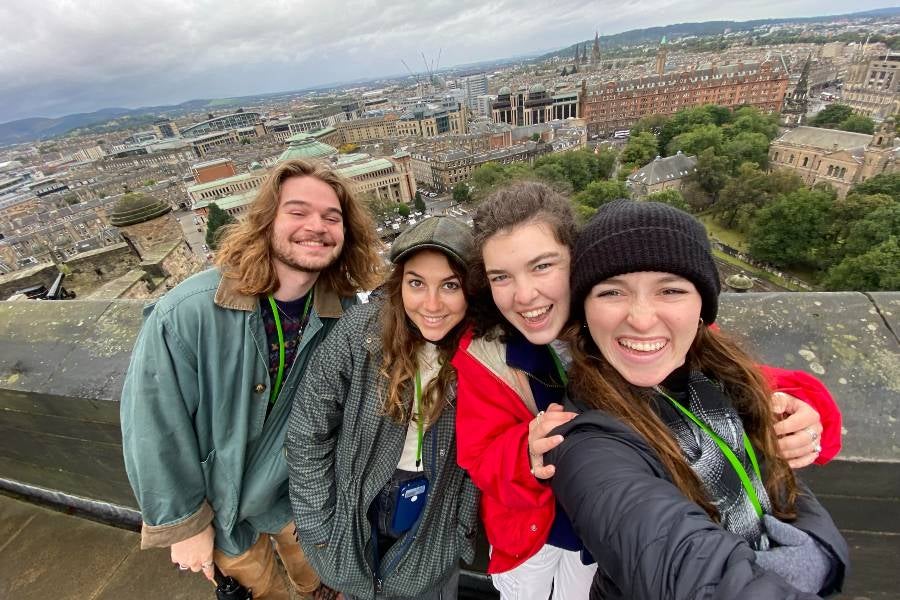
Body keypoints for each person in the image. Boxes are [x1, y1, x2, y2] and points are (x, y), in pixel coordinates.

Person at [451, 181, 842, 600]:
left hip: (609, 543)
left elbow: (726, 375)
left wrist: (808, 407)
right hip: (537, 534)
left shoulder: (636, 325)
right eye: (501, 277)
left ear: (578, 262)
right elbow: (478, 454)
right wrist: (524, 452)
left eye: (543, 266)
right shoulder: (486, 352)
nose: (525, 294)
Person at [120, 159, 382, 599]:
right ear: (266, 221)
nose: (316, 226)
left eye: (331, 217)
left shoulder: (345, 315)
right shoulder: (188, 312)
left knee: (322, 584)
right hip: (221, 506)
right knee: (259, 592)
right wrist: (184, 524)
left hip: (299, 494)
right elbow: (152, 422)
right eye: (297, 212)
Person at [287, 216, 480, 600]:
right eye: (416, 283)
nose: (432, 305)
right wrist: (317, 525)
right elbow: (308, 431)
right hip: (359, 501)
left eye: (450, 285)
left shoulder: (483, 351)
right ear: (399, 283)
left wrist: (460, 531)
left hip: (436, 512)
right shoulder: (359, 333)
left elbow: (489, 451)